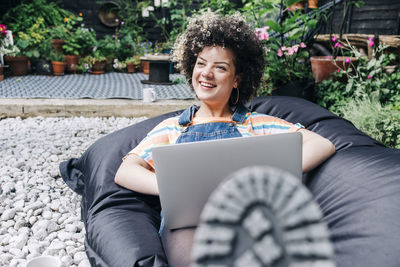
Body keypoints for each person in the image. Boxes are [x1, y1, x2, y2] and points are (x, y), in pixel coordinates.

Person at [115, 11, 336, 267]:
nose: (207, 73)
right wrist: (171, 187)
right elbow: (125, 171)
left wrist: (271, 172)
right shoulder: (173, 128)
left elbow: (322, 144)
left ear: (236, 80)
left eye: (220, 67)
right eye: (201, 63)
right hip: (188, 225)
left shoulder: (255, 123)